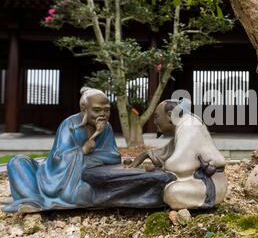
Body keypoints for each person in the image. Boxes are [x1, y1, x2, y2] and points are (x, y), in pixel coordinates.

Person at [3, 87, 176, 213]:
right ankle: (33, 199)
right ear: (84, 109)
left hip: (86, 175)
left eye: (107, 110)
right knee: (17, 162)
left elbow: (113, 156)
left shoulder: (106, 128)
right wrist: (85, 149)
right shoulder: (69, 125)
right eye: (97, 110)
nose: (103, 114)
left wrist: (96, 140)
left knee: (85, 192)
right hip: (55, 175)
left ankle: (32, 199)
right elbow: (58, 158)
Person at [130, 99, 228, 210]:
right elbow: (169, 150)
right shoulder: (185, 124)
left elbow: (179, 165)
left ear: (169, 115)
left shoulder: (189, 125)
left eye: (156, 117)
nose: (155, 122)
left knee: (172, 193)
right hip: (203, 181)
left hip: (211, 185)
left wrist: (161, 167)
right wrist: (147, 154)